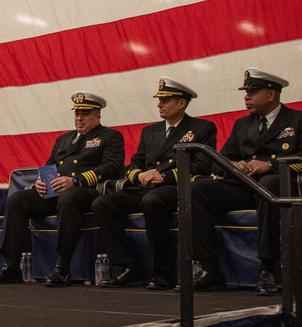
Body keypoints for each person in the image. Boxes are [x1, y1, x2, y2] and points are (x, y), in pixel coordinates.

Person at [190, 68, 302, 295]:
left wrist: (271, 165)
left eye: (252, 92)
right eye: (246, 92)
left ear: (271, 94)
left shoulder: (301, 120)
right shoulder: (242, 125)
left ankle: (268, 269)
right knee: (197, 189)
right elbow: (219, 160)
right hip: (246, 187)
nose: (246, 97)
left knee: (270, 184)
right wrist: (233, 165)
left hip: (282, 187)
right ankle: (208, 267)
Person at [0, 92, 125, 286]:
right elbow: (50, 165)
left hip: (86, 192)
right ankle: (11, 265)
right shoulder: (63, 139)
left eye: (85, 113)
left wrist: (76, 181)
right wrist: (40, 182)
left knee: (68, 197)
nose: (79, 118)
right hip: (56, 192)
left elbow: (112, 167)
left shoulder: (109, 136)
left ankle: (63, 267)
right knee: (17, 199)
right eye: (77, 113)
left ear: (97, 116)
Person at [92, 78, 217, 290]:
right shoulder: (150, 131)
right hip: (146, 186)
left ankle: (162, 272)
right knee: (102, 203)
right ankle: (128, 266)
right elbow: (134, 163)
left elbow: (203, 166)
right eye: (159, 99)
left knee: (153, 201)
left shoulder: (201, 128)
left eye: (165, 100)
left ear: (181, 103)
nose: (159, 104)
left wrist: (164, 177)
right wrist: (139, 176)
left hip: (175, 188)